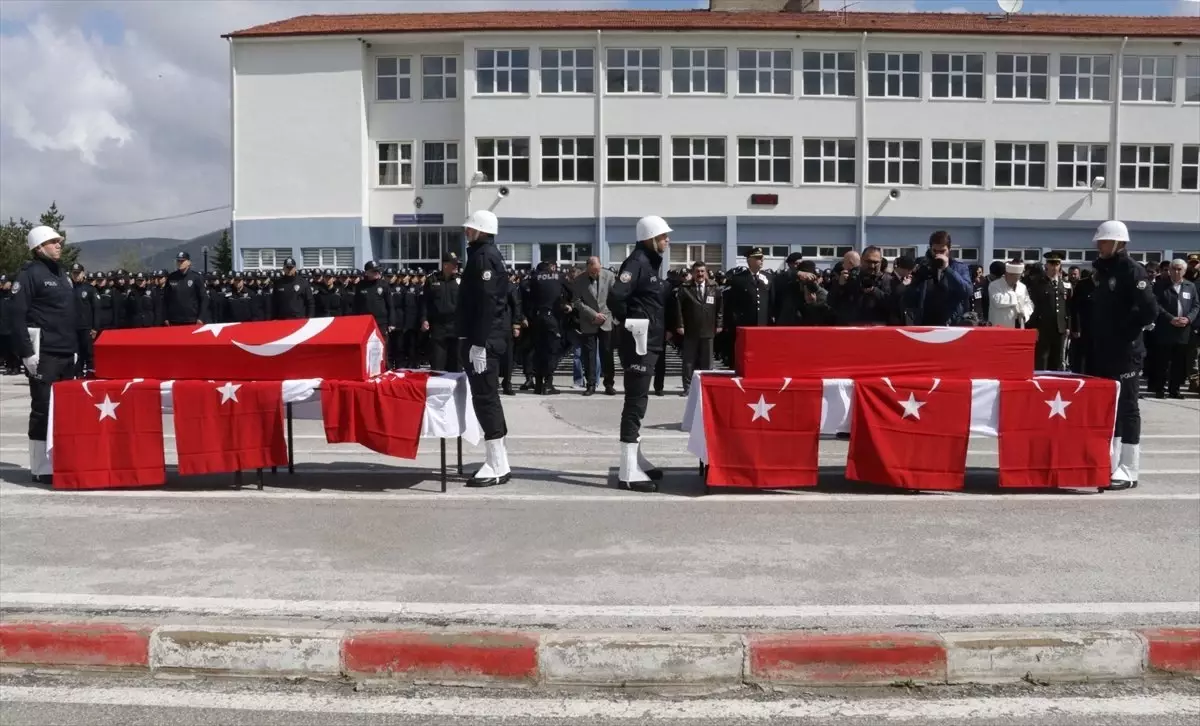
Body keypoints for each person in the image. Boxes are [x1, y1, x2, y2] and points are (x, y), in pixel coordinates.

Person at [1087, 220, 1158, 491]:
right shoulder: (1104, 271)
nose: (1099, 245)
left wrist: (1125, 332)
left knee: (1128, 407)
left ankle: (1129, 468)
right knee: (1110, 406)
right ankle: (1112, 462)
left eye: (1104, 241)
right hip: (1106, 349)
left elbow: (1149, 310)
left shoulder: (1132, 271)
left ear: (1118, 243)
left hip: (1126, 350)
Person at [7, 226, 78, 484]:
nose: (59, 245)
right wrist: (26, 352)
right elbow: (16, 316)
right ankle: (41, 465)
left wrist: (76, 348)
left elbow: (69, 314)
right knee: (43, 408)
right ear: (39, 247)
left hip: (66, 351)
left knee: (65, 411)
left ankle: (61, 458)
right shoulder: (29, 275)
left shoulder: (62, 273)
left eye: (59, 241)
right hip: (44, 353)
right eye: (52, 242)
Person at [609, 215, 672, 492]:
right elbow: (616, 297)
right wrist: (632, 324)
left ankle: (636, 459)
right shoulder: (636, 263)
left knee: (641, 401)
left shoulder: (650, 264)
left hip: (650, 342)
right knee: (635, 403)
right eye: (663, 237)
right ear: (650, 238)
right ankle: (627, 470)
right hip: (638, 343)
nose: (667, 241)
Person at [458, 210, 512, 487]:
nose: (467, 231)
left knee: (485, 397)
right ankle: (499, 459)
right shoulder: (482, 255)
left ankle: (496, 463)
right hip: (485, 338)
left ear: (483, 230)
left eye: (471, 228)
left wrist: (478, 343)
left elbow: (488, 303)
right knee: (487, 396)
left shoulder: (484, 257)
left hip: (485, 340)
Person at [1149, 259, 1198, 399]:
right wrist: (1171, 318)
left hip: (1183, 329)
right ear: (1169, 270)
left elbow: (1196, 306)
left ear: (1184, 271)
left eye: (1180, 269)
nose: (1177, 272)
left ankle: (1174, 390)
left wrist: (1188, 319)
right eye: (1174, 269)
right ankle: (1160, 389)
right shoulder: (1160, 285)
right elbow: (1156, 305)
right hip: (1166, 328)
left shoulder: (1190, 286)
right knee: (1163, 362)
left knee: (1179, 362)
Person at [905, 230, 974, 326]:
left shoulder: (958, 267)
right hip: (926, 322)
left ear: (949, 249)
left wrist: (948, 269)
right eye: (935, 251)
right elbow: (910, 297)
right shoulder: (923, 265)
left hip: (951, 323)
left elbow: (967, 291)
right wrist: (916, 279)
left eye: (942, 251)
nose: (938, 254)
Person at [675, 260, 722, 396]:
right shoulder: (684, 288)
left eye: (702, 271)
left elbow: (720, 308)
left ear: (706, 273)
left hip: (708, 329)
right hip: (690, 330)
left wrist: (719, 324)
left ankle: (706, 388)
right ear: (693, 273)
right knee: (688, 361)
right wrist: (680, 325)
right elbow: (678, 309)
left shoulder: (714, 287)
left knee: (707, 362)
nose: (700, 274)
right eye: (697, 272)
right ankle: (688, 388)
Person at [572, 256, 616, 397]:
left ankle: (609, 384)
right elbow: (577, 301)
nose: (595, 274)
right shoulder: (579, 280)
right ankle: (591, 384)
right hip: (589, 321)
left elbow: (615, 298)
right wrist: (593, 315)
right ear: (587, 268)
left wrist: (609, 316)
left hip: (606, 320)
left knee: (607, 354)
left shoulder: (609, 276)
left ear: (600, 266)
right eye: (592, 271)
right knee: (589, 355)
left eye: (597, 270)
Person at [1030, 250, 1070, 370]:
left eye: (1056, 264)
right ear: (1046, 265)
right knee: (1042, 359)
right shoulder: (1038, 283)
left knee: (1057, 360)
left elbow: (1068, 307)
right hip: (1043, 327)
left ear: (1060, 266)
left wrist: (1068, 326)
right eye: (1051, 263)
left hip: (1060, 328)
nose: (1054, 267)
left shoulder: (1065, 284)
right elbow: (1034, 306)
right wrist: (1034, 327)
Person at [421, 252, 462, 372]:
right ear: (445, 265)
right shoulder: (432, 280)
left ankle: (455, 390)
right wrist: (424, 319)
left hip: (456, 325)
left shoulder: (461, 281)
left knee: (456, 363)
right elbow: (425, 302)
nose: (456, 266)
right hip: (438, 326)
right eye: (454, 264)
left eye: (457, 264)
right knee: (438, 363)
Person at [162, 251, 208, 326]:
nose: (180, 263)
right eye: (178, 261)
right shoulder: (172, 277)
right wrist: (166, 317)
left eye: (182, 261)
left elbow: (204, 299)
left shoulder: (196, 277)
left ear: (189, 262)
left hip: (192, 320)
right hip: (174, 319)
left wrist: (201, 318)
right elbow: (166, 299)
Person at [987, 261, 1034, 329]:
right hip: (1000, 326)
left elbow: (1029, 303)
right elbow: (997, 301)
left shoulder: (1022, 286)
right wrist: (1017, 298)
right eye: (1014, 277)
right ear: (1007, 274)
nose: (1016, 280)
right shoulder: (994, 285)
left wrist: (1025, 314)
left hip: (1019, 325)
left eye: (1018, 277)